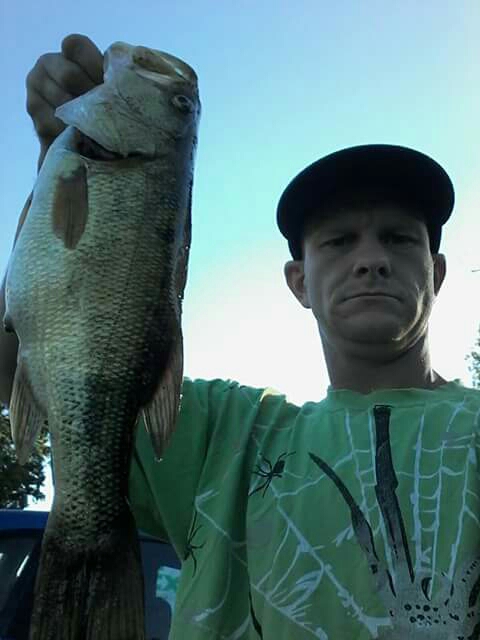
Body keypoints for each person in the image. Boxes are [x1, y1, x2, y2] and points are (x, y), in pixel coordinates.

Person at [1, 34, 479, 640]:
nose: (371, 260)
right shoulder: (225, 432)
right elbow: (15, 361)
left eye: (399, 238)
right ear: (298, 282)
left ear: (437, 273)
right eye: (339, 241)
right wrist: (56, 171)